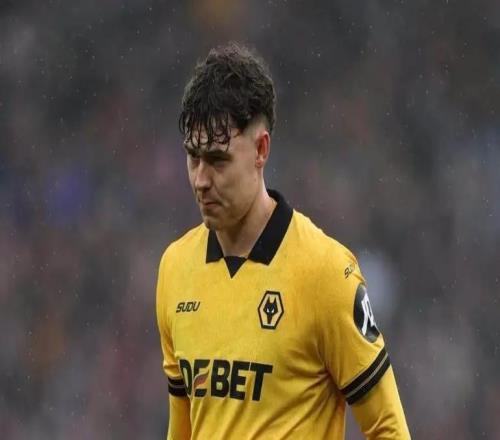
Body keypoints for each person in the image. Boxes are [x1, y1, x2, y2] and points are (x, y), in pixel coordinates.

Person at [156, 42, 410, 439]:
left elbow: (388, 428)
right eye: (193, 158)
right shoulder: (175, 269)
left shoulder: (326, 273)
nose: (201, 179)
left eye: (218, 160)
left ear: (261, 150)